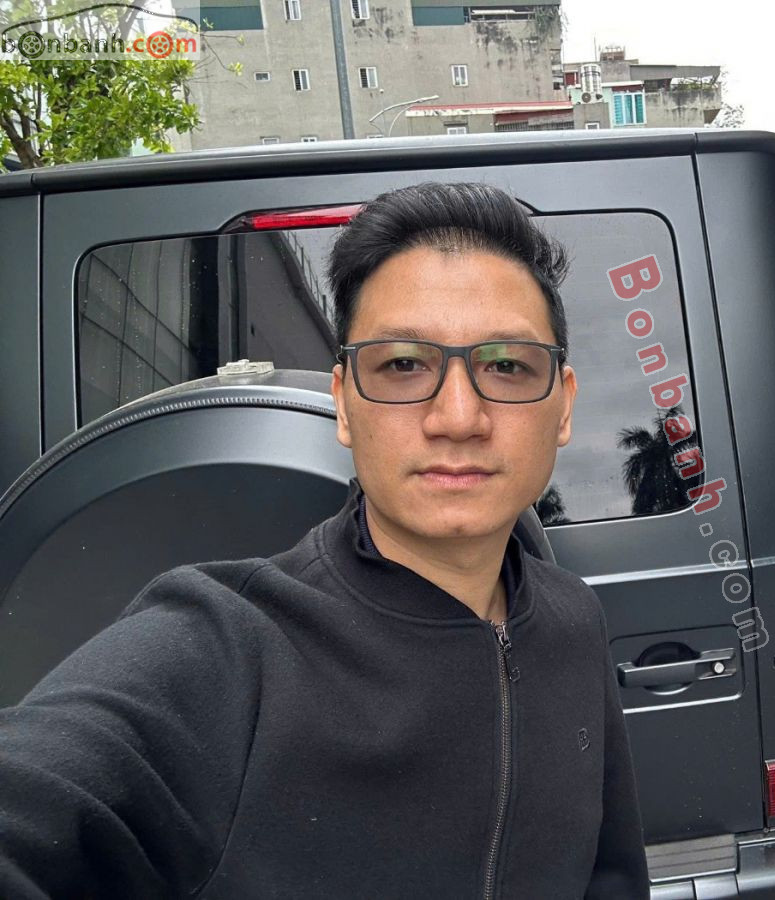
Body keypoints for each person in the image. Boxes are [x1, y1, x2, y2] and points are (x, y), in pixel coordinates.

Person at [0, 183, 651, 899]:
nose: (458, 417)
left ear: (563, 404)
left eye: (506, 365)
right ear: (343, 402)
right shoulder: (224, 650)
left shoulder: (572, 620)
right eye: (402, 364)